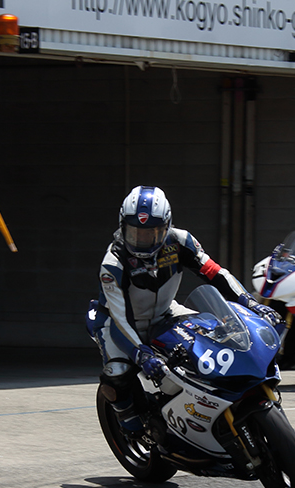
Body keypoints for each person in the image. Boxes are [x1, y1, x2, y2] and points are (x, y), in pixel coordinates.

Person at [88, 185, 281, 432]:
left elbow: (215, 273)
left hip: (166, 312)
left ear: (167, 226)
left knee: (216, 336)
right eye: (135, 233)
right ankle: (129, 422)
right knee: (117, 373)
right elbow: (119, 319)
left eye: (152, 233)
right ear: (122, 227)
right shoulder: (113, 263)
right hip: (118, 324)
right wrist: (142, 355)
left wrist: (250, 302)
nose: (142, 241)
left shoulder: (181, 241)